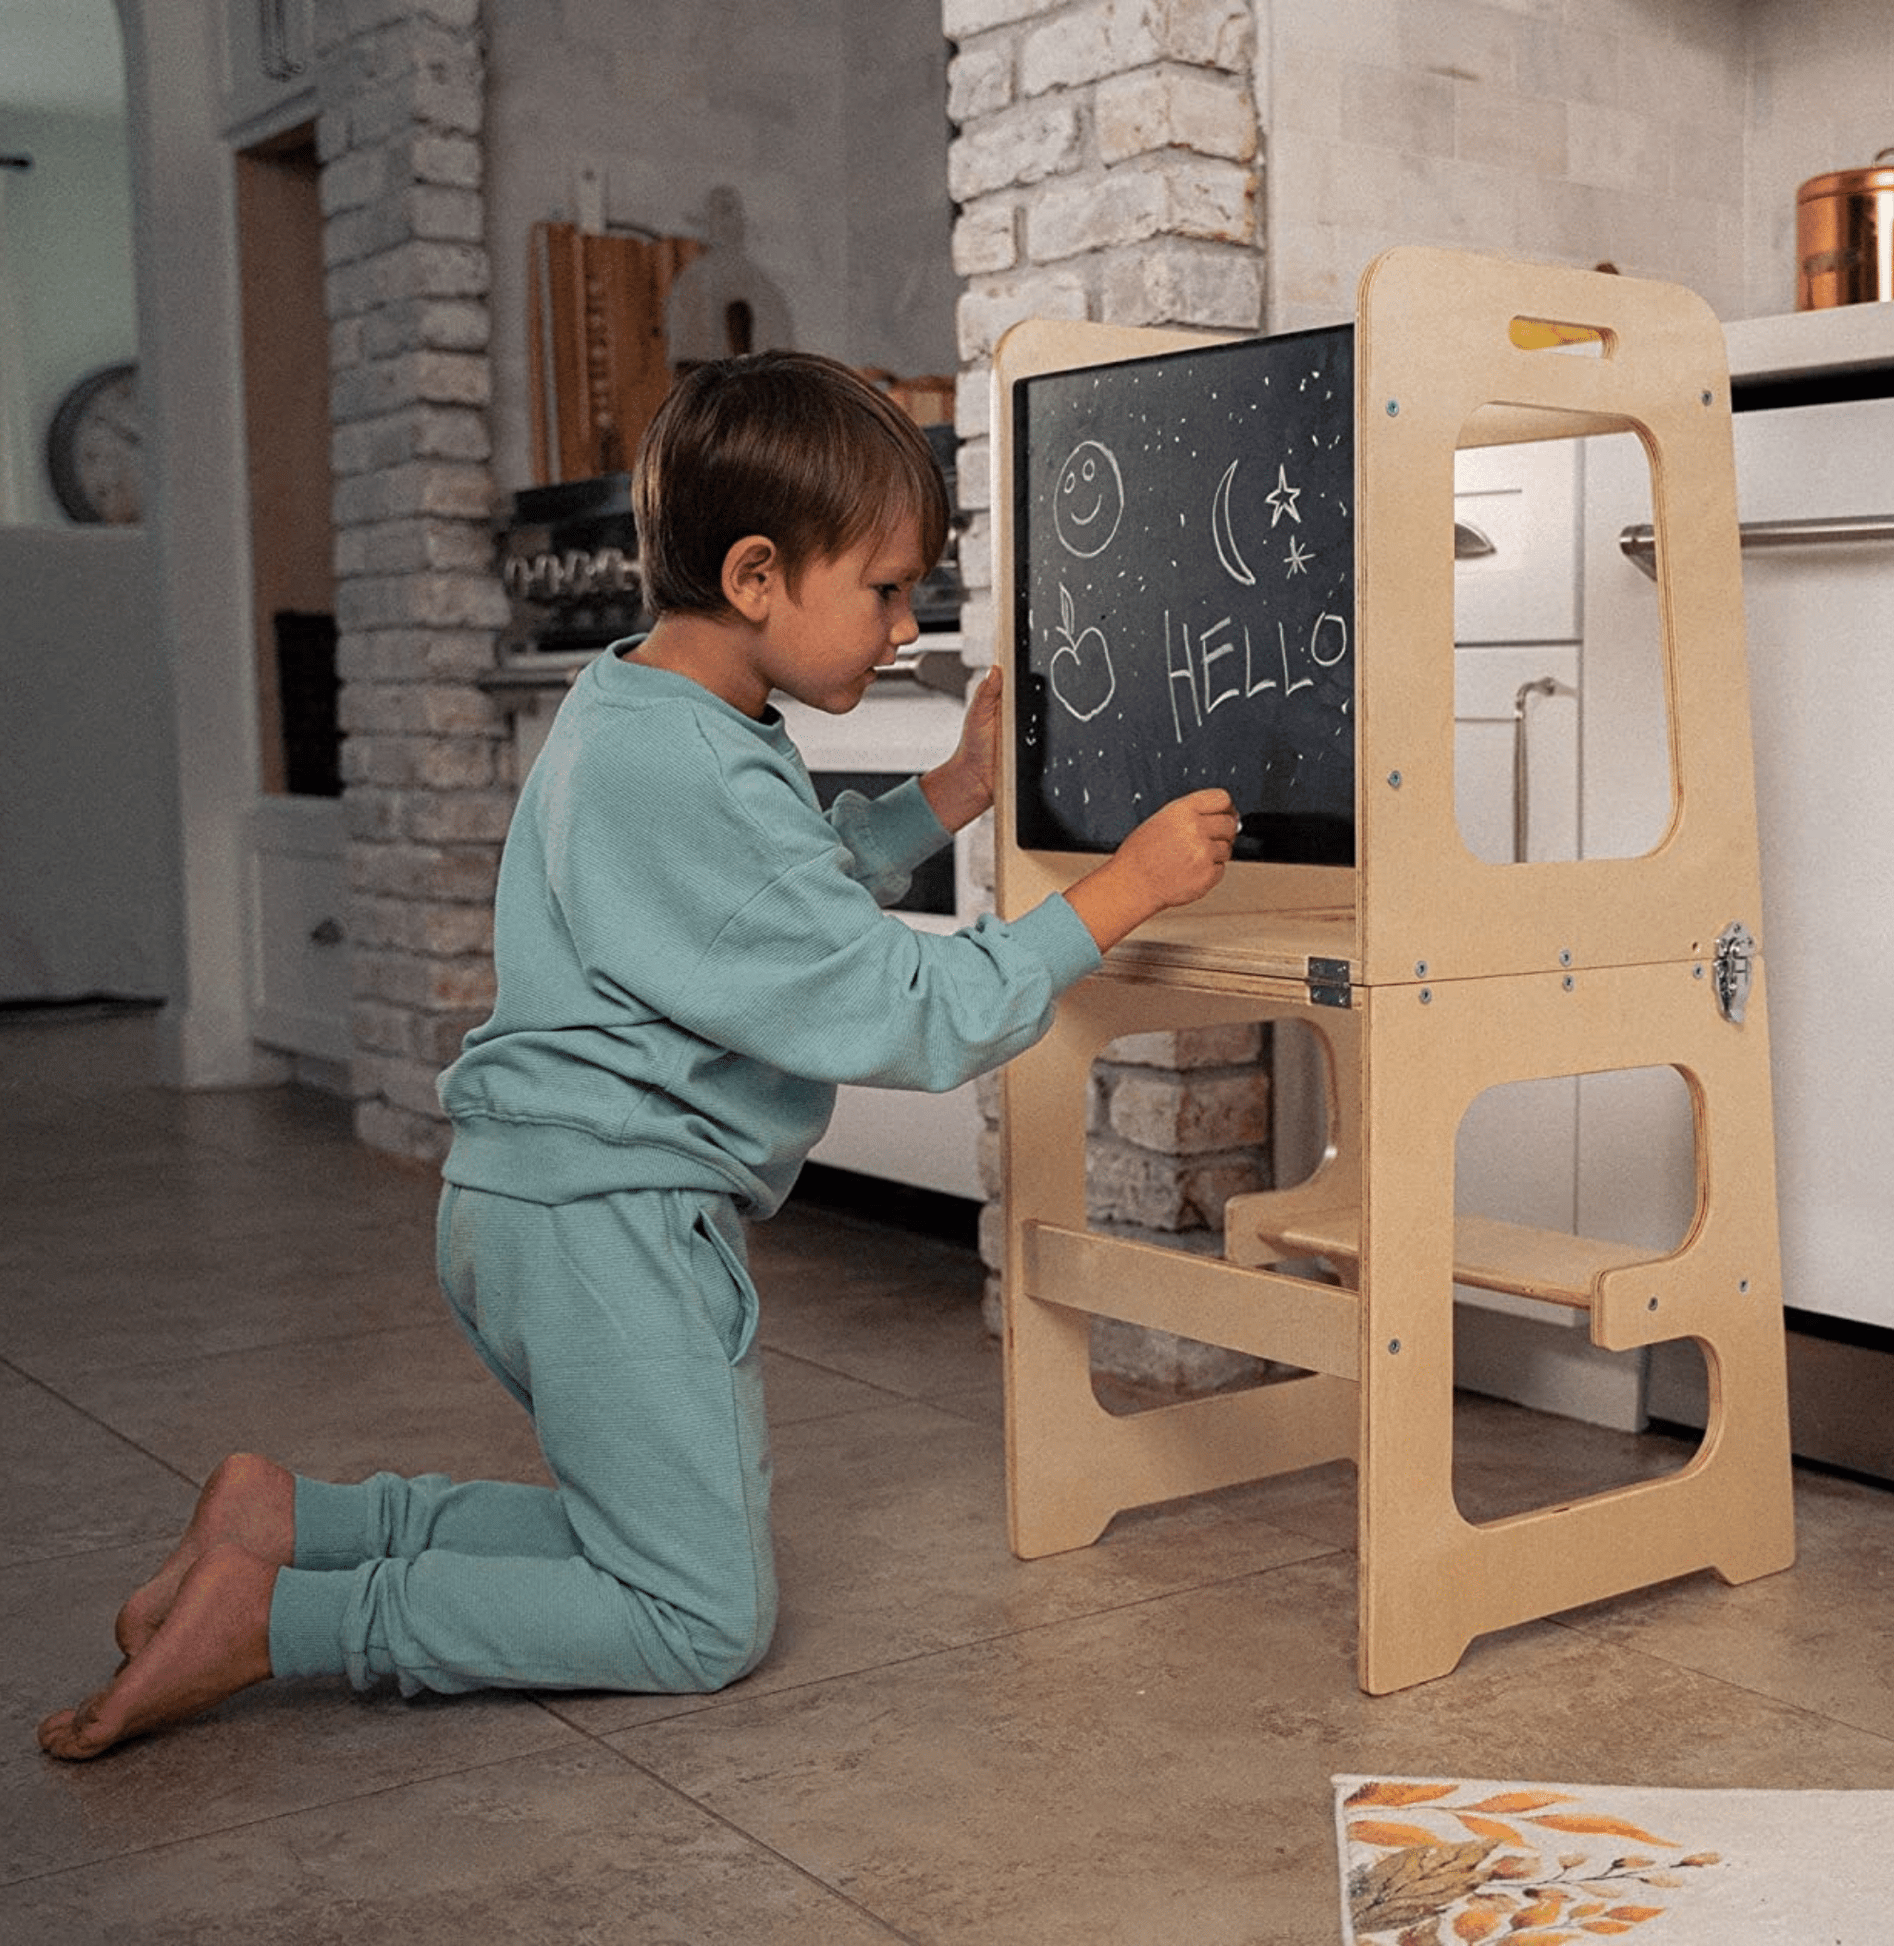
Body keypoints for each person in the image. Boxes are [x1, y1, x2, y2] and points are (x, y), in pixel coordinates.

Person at [39, 350, 1237, 1761]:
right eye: (883, 588)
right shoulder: (678, 762)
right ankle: (285, 1622)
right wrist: (1120, 893)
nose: (905, 628)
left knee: (648, 1532)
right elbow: (905, 1009)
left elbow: (783, 885)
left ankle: (291, 1522)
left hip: (550, 1201)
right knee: (694, 1611)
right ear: (753, 577)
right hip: (605, 1221)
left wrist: (947, 796)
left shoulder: (651, 711)